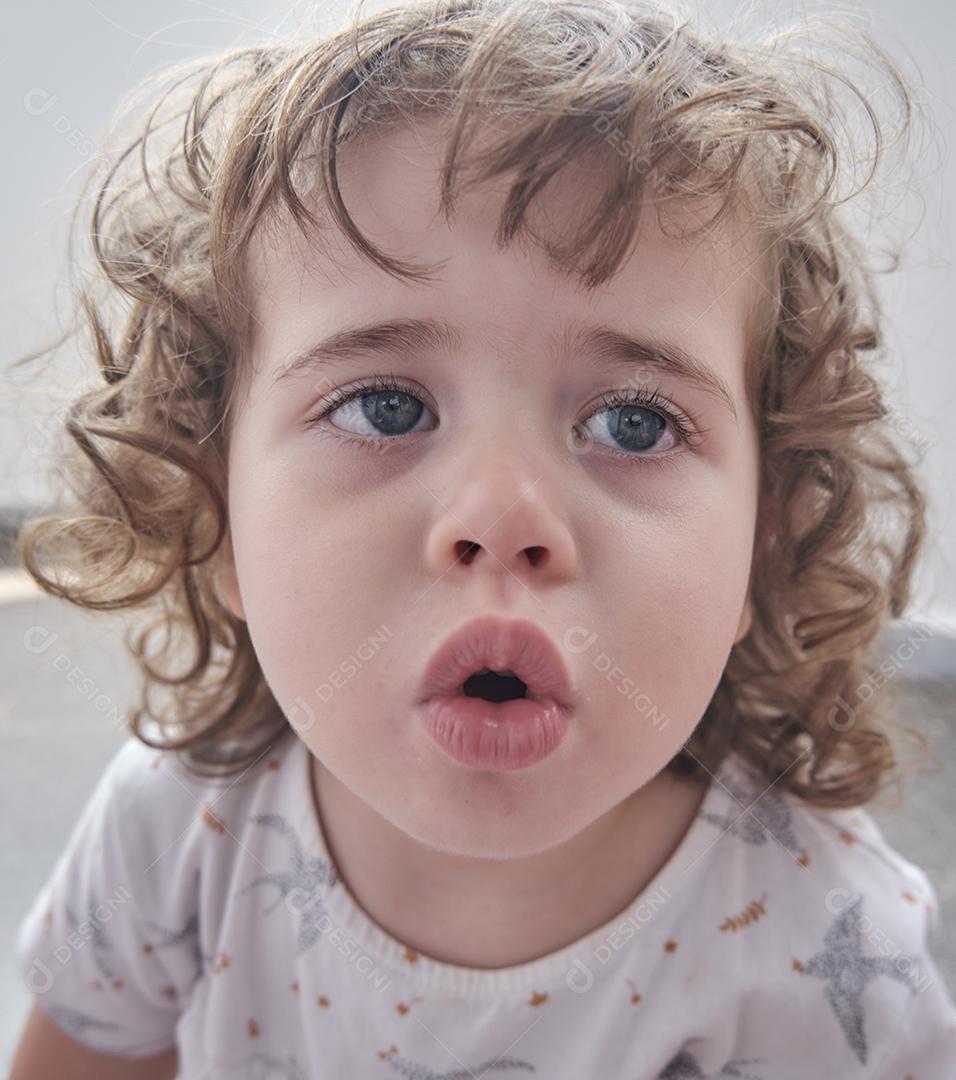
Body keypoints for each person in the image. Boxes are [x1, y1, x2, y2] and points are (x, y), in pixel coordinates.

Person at [9, 0, 956, 1076]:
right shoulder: (173, 835)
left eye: (631, 423)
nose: (502, 519)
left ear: (760, 535)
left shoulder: (830, 953)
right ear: (220, 505)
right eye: (384, 408)